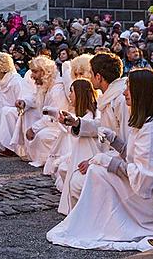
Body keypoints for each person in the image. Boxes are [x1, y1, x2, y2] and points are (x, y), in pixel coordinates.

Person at [47, 68, 153, 251]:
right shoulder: (146, 122)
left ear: (141, 92)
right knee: (94, 171)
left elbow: (143, 178)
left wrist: (106, 161)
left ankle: (105, 224)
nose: (125, 92)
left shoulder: (152, 130)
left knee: (96, 173)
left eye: (129, 88)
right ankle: (102, 222)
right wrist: (115, 140)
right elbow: (137, 157)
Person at [0, 56, 67, 162]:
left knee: (41, 135)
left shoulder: (57, 89)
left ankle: (44, 158)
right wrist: (24, 102)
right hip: (46, 121)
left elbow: (54, 116)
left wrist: (34, 128)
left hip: (58, 126)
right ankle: (27, 150)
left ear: (45, 72)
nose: (32, 76)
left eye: (35, 72)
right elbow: (35, 98)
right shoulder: (46, 85)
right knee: (27, 113)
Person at [50, 78, 103, 214]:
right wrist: (65, 121)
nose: (69, 95)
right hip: (80, 156)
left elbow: (90, 128)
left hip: (90, 155)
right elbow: (78, 129)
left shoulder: (95, 114)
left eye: (71, 91)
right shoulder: (84, 114)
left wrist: (74, 123)